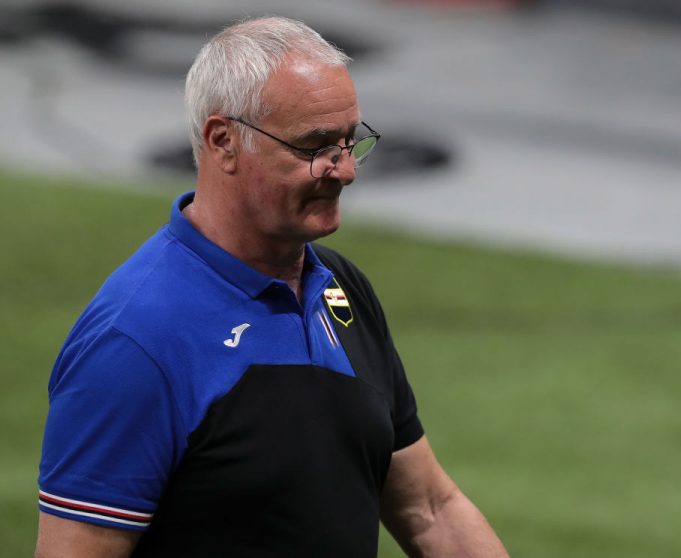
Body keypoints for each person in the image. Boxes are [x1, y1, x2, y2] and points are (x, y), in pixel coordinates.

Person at [35, 16, 509, 558]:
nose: (346, 170)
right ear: (224, 142)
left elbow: (430, 508)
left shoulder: (340, 289)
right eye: (315, 148)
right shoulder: (136, 340)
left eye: (349, 142)